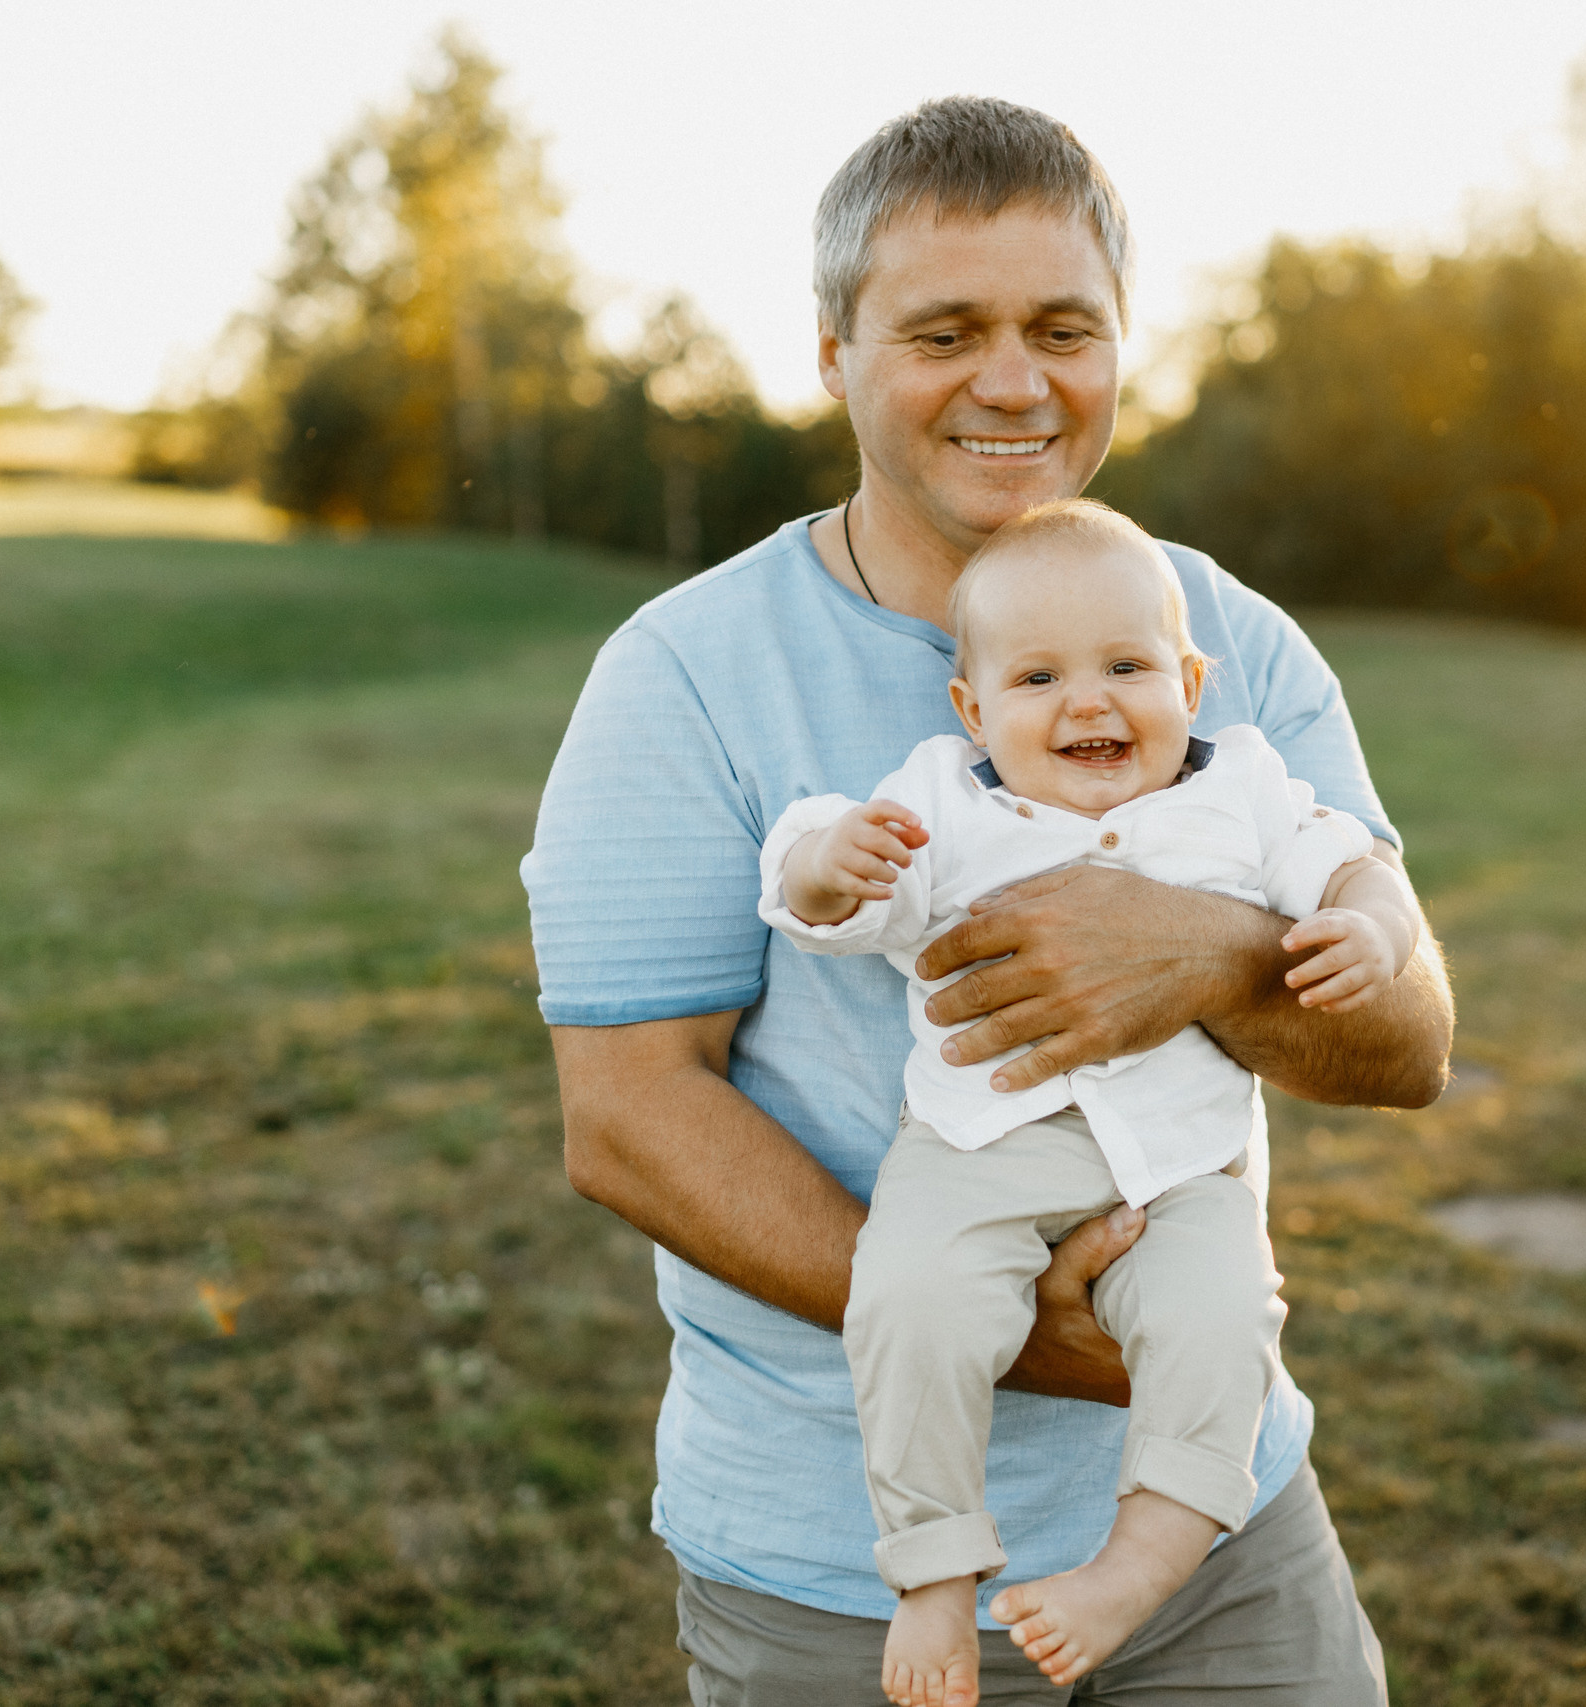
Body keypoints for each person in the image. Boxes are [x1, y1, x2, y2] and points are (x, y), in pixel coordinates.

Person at [523, 95, 1452, 1705]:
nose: (1013, 381)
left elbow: (1410, 1042)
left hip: (1218, 1533)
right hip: (832, 1580)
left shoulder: (1223, 639)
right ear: (832, 351)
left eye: (1061, 328)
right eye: (944, 330)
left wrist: (1211, 953)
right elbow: (625, 1114)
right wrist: (1028, 1332)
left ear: (1118, 344)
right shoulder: (682, 673)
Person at [761, 501, 1427, 1706]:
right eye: (1036, 677)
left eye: (1127, 668)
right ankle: (931, 1569)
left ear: (1190, 679)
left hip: (1177, 1168)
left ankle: (1139, 1567)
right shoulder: (940, 803)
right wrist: (826, 864)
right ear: (972, 711)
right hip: (980, 1143)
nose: (1088, 703)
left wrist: (1369, 927)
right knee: (907, 1299)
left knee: (1224, 1318)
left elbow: (1349, 859)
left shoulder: (1242, 793)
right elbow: (829, 885)